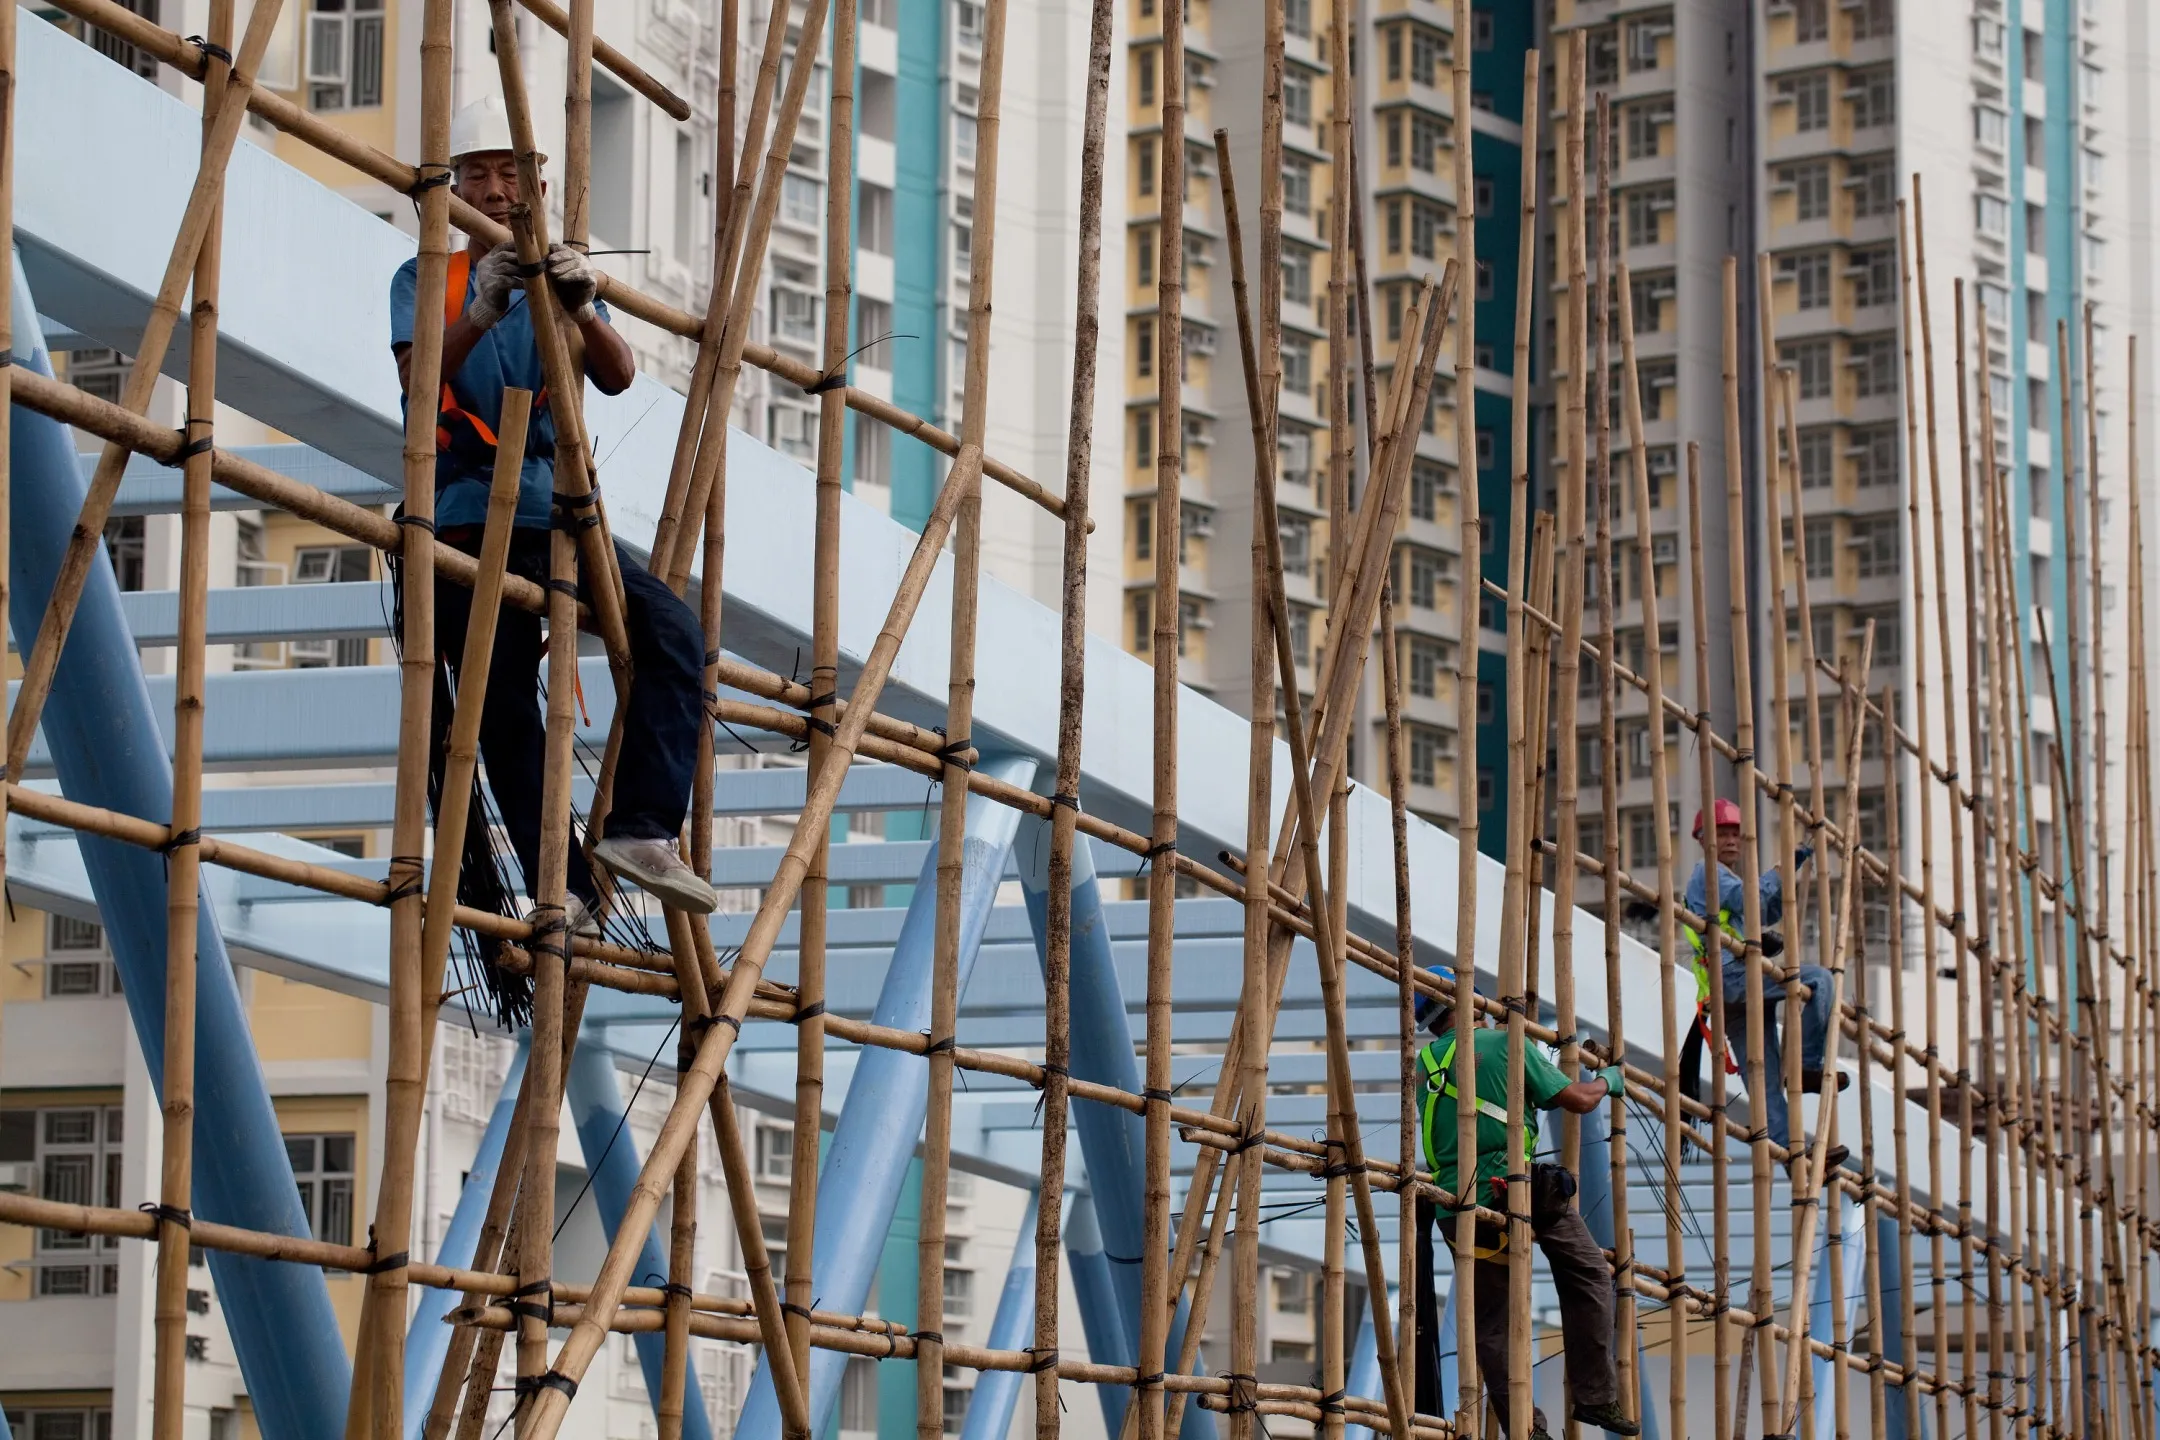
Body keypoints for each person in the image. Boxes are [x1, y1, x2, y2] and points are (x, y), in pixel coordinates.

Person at [390, 96, 716, 929]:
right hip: (465, 511)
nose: (495, 191)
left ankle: (641, 828)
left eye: (510, 174)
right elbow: (417, 379)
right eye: (477, 174)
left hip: (562, 515)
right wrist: (479, 311)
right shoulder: (428, 273)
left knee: (672, 635)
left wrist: (577, 300)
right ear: (453, 184)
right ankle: (560, 879)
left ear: (536, 183)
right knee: (497, 700)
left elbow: (615, 374)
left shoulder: (560, 271)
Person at [1412, 969, 1638, 1439]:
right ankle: (1595, 1399)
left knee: (1492, 1324)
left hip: (1457, 1209)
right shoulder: (1501, 1044)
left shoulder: (1423, 1066)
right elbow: (1576, 1099)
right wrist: (1608, 1081)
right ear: (1469, 1000)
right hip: (1516, 1192)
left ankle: (1525, 1428)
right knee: (1590, 1274)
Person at [1682, 798, 1845, 1161]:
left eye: (1735, 834)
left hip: (1729, 990)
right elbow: (1751, 898)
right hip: (1734, 979)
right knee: (1820, 981)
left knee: (1765, 1082)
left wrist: (1794, 866)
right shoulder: (1709, 873)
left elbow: (1764, 909)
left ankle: (1792, 1154)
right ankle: (1807, 1064)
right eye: (1721, 833)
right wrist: (1786, 865)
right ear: (1703, 838)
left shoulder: (1721, 878)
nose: (1730, 841)